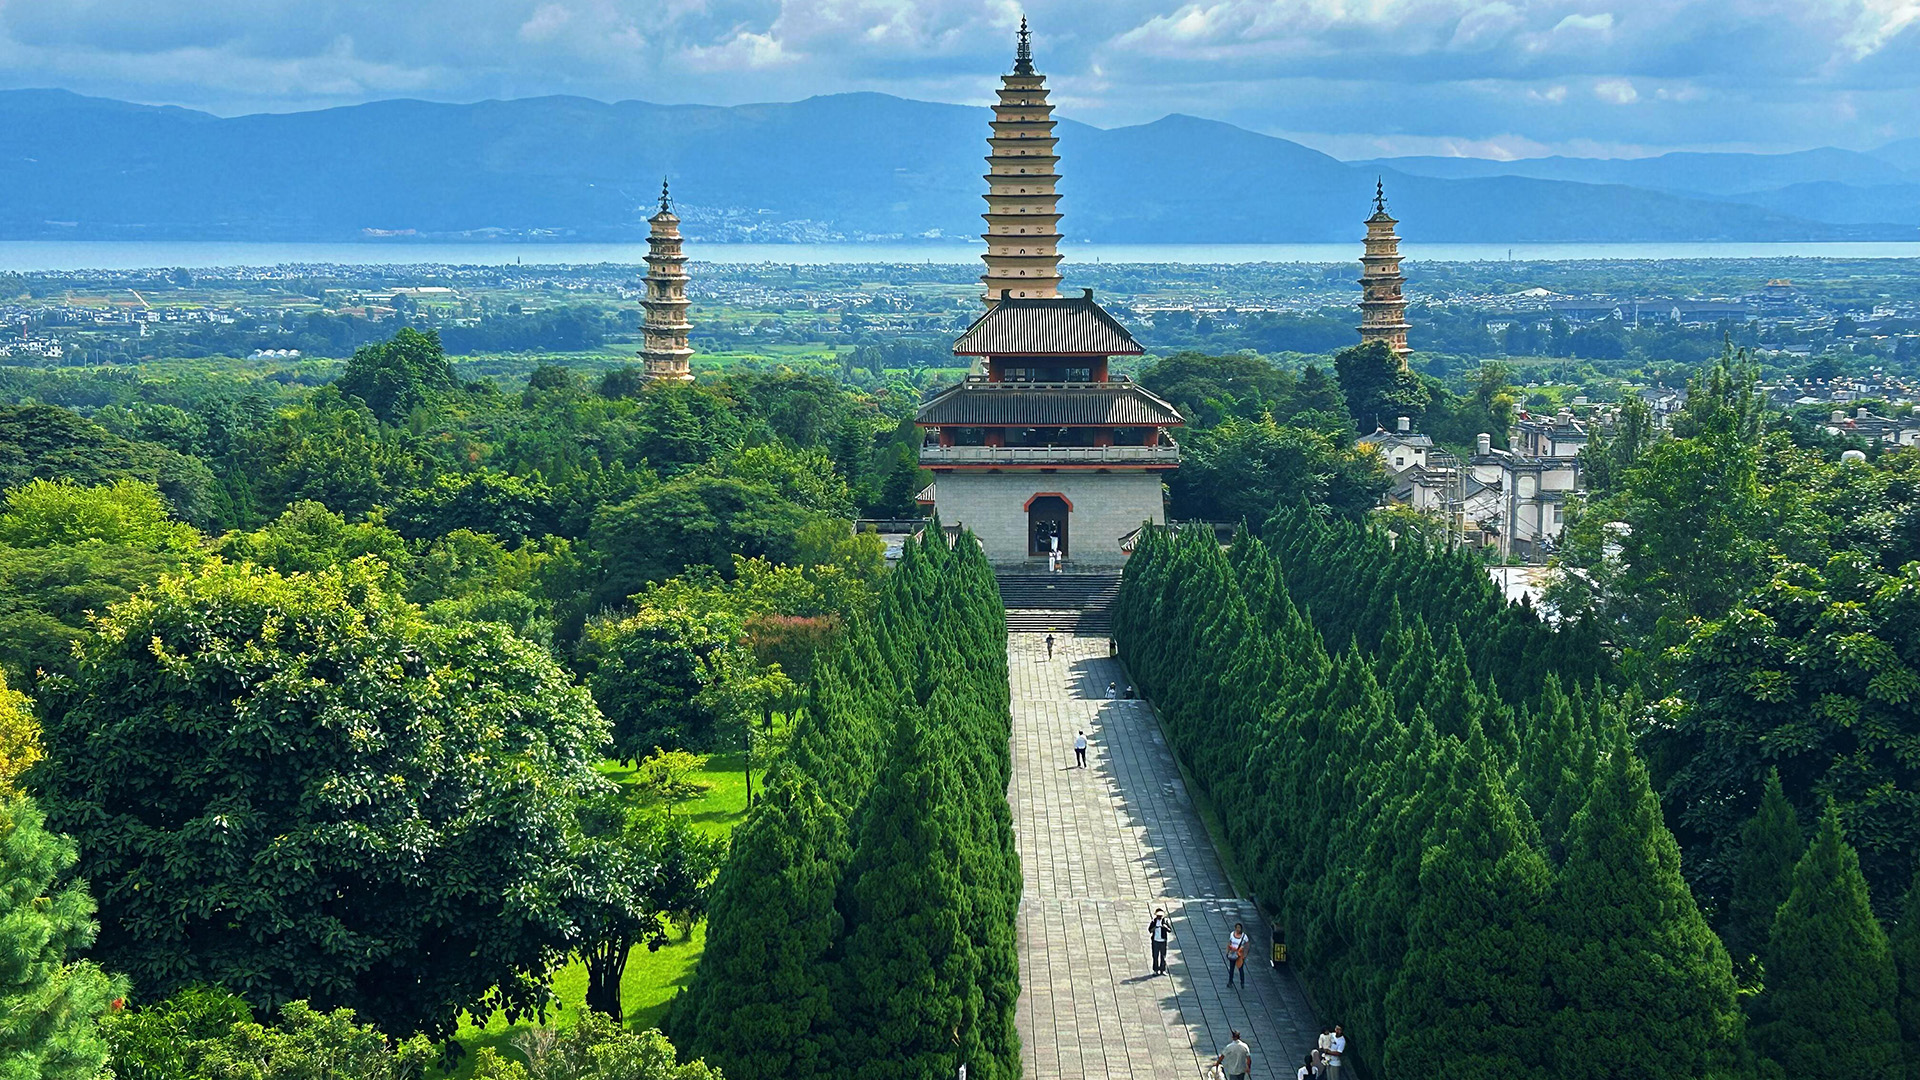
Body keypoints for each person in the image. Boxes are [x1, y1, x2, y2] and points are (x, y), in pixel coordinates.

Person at [1148, 908, 1172, 975]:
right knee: (1155, 956)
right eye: (1158, 916)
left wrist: (1165, 927)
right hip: (1155, 941)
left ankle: (1162, 970)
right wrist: (1155, 927)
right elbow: (1150, 930)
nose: (1159, 917)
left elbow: (1170, 930)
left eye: (1160, 916)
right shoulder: (1153, 921)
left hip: (1163, 941)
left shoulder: (1165, 921)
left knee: (1163, 956)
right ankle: (1155, 970)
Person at [1225, 923, 1249, 988]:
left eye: (1239, 928)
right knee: (1231, 968)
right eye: (1237, 928)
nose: (1238, 929)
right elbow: (1229, 943)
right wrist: (1227, 951)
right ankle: (1230, 981)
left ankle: (1242, 982)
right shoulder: (1232, 934)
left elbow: (1247, 946)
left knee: (1240, 968)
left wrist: (1244, 955)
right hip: (1232, 953)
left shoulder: (1244, 937)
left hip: (1240, 955)